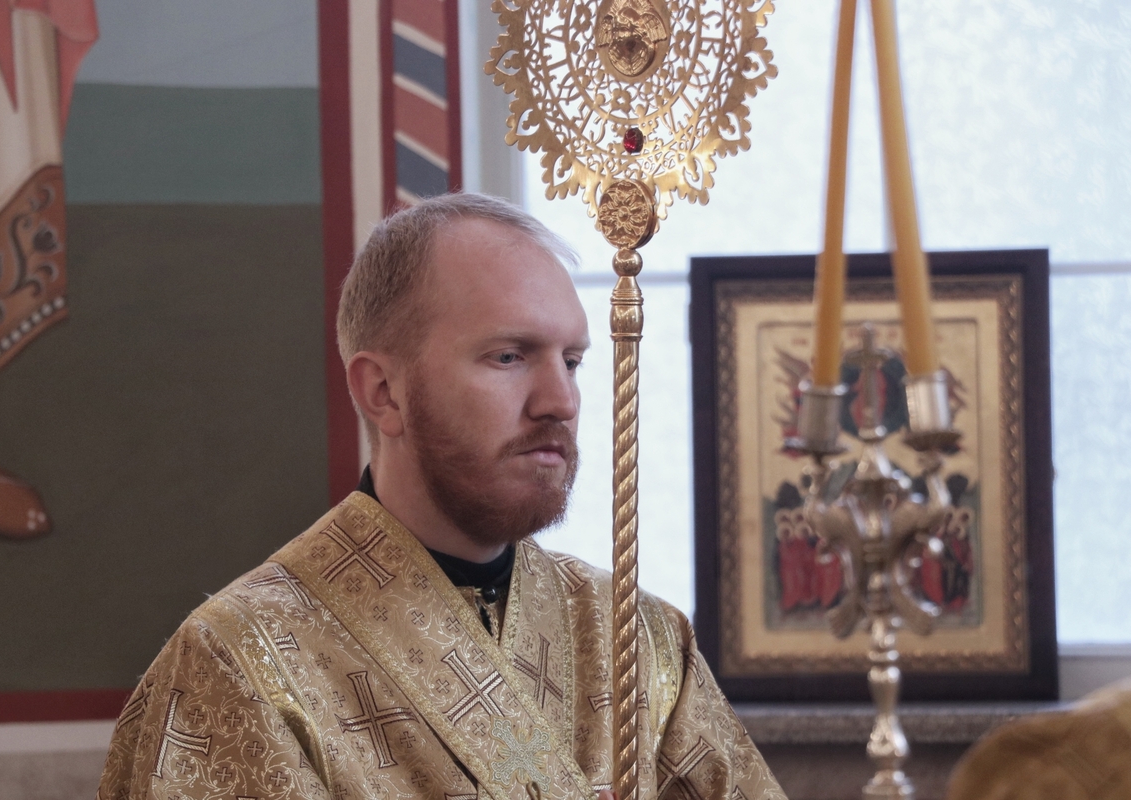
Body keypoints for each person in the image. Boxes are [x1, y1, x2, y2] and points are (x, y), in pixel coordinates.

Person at [96, 193, 787, 800]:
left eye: (572, 361)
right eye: (509, 356)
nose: (561, 401)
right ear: (383, 393)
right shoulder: (240, 662)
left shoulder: (638, 639)